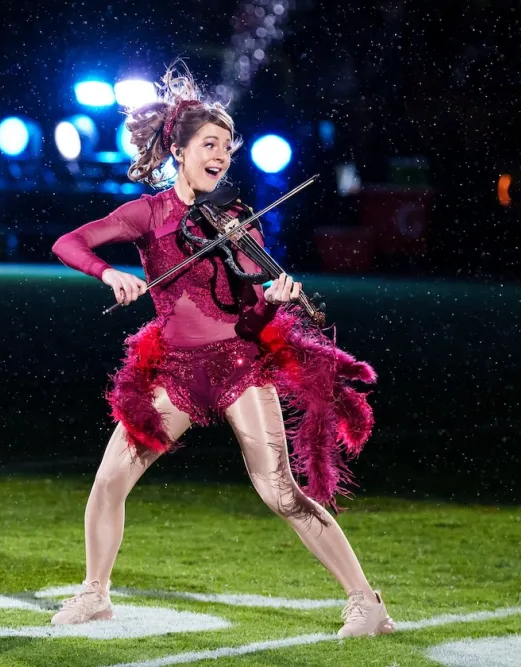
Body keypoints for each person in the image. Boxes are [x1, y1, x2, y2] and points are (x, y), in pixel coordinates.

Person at [50, 66, 393, 637]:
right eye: (209, 145)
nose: (222, 156)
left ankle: (366, 602)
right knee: (109, 482)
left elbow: (253, 315)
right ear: (178, 151)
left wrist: (277, 301)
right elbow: (70, 242)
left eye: (227, 148)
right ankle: (95, 593)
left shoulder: (237, 227)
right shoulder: (148, 214)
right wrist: (110, 273)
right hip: (173, 373)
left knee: (281, 492)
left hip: (237, 368)